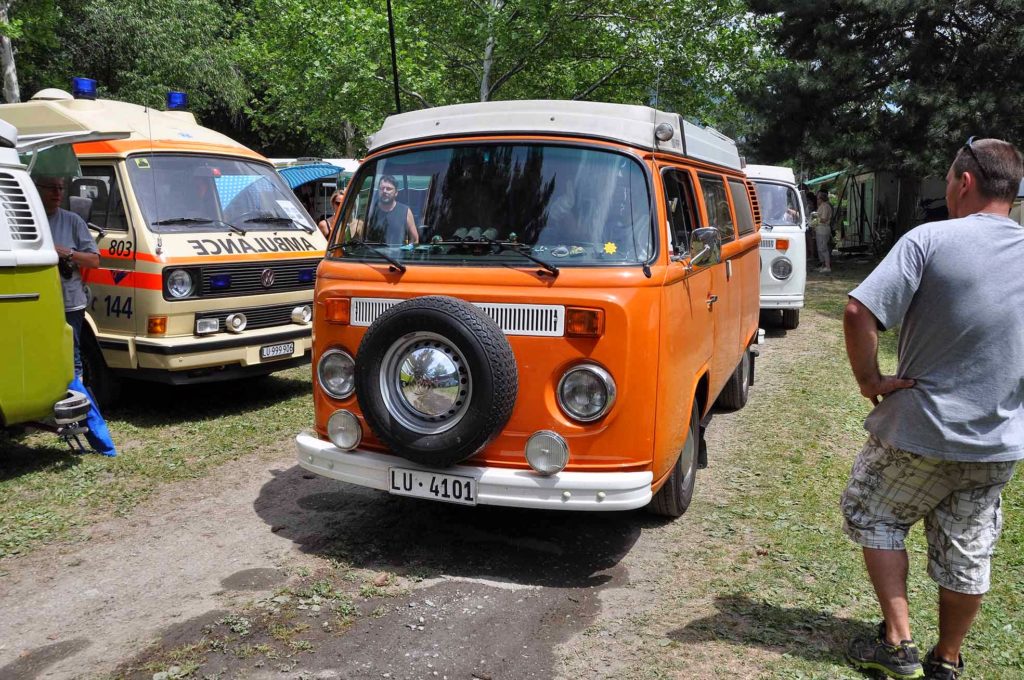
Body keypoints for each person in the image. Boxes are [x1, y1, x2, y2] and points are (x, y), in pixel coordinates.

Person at [840, 138, 1024, 680]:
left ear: (964, 182)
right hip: (997, 441)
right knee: (968, 549)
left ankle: (898, 644)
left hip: (921, 430)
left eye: (947, 180)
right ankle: (946, 660)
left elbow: (858, 310)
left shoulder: (930, 239)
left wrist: (870, 380)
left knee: (873, 512)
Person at [34, 176, 100, 377]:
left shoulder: (73, 221)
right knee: (40, 352)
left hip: (69, 302)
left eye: (61, 188)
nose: (57, 193)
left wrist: (67, 253)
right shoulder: (27, 221)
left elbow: (94, 261)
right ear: (37, 189)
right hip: (37, 302)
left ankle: (75, 390)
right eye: (52, 188)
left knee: (72, 355)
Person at [365, 175, 418, 244]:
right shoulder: (371, 211)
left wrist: (406, 250)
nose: (384, 191)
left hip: (398, 251)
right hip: (373, 251)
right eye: (382, 188)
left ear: (396, 193)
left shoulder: (405, 211)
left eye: (388, 189)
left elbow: (414, 239)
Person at [815, 189, 833, 272]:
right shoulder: (821, 206)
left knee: (823, 248)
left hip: (823, 229)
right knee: (820, 248)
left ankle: (827, 266)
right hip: (819, 229)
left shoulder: (825, 206)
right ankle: (823, 265)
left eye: (818, 198)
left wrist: (814, 219)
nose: (817, 200)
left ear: (821, 199)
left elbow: (824, 219)